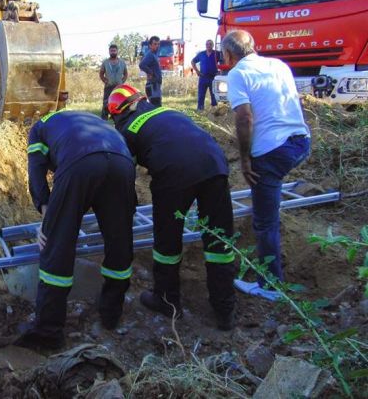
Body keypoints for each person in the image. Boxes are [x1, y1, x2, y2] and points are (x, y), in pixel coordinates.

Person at [107, 84, 237, 330]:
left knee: (167, 241)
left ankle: (167, 301)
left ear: (120, 112)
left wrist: (124, 207)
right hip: (215, 165)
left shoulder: (127, 128)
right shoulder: (169, 112)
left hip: (174, 173)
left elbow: (125, 176)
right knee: (219, 240)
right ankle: (225, 309)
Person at [16, 110, 137, 350]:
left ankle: (48, 332)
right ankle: (111, 314)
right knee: (119, 241)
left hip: (80, 163)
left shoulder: (38, 129)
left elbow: (37, 170)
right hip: (122, 164)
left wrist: (47, 216)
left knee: (57, 246)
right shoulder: (91, 121)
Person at [221, 30, 311, 301]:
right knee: (269, 202)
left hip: (272, 152)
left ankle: (270, 286)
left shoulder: (237, 74)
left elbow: (244, 117)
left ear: (228, 54)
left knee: (264, 222)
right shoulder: (278, 64)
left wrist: (245, 158)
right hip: (299, 142)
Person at [99, 44, 129, 119]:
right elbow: (101, 73)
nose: (113, 52)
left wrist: (122, 81)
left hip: (119, 87)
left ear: (117, 51)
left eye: (114, 51)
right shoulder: (105, 62)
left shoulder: (122, 62)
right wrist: (104, 80)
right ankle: (103, 120)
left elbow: (125, 73)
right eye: (111, 51)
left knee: (119, 103)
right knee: (106, 104)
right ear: (109, 52)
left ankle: (119, 119)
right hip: (108, 86)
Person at [191, 39, 222, 110]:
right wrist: (197, 71)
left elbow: (223, 62)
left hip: (213, 78)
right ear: (205, 45)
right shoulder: (201, 54)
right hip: (203, 77)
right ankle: (200, 109)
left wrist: (220, 71)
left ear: (213, 45)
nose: (208, 45)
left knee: (214, 95)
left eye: (210, 44)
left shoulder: (217, 53)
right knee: (201, 95)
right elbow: (193, 61)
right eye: (207, 44)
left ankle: (214, 111)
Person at [139, 36, 162, 106]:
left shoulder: (155, 55)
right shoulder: (150, 55)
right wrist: (150, 72)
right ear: (150, 45)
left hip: (156, 85)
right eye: (155, 44)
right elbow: (141, 65)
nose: (157, 46)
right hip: (153, 85)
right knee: (156, 107)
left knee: (157, 106)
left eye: (158, 44)